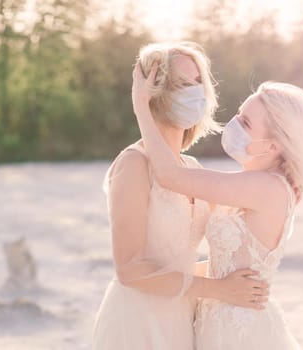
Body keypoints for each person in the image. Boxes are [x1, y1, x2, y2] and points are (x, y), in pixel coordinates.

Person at [132, 62, 303, 349]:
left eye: (246, 124)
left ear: (272, 146)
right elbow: (226, 265)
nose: (234, 124)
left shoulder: (268, 187)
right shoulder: (250, 184)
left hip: (240, 331)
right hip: (218, 320)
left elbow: (171, 176)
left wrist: (142, 105)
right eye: (239, 115)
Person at [93, 42, 269, 350]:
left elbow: (180, 260)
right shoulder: (134, 163)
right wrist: (218, 289)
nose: (194, 92)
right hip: (137, 321)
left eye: (198, 82)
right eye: (181, 84)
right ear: (155, 92)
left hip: (183, 316)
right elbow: (129, 269)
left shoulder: (190, 167)